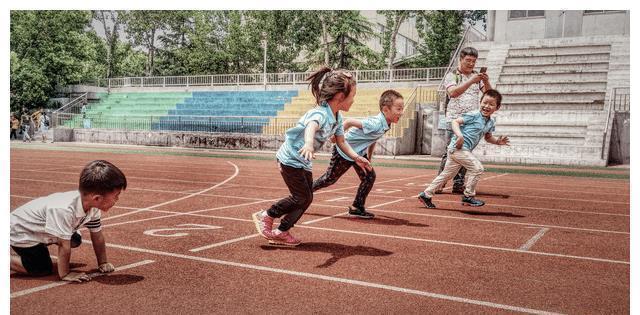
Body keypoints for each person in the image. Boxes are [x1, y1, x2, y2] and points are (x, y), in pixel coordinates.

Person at [252, 67, 371, 246]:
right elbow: (311, 126)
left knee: (306, 198)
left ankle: (282, 231)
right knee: (301, 197)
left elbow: (341, 141)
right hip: (290, 158)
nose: (354, 100)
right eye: (352, 96)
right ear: (340, 96)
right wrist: (308, 144)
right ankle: (268, 215)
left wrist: (356, 157)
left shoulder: (337, 118)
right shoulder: (320, 113)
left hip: (303, 162)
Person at [10, 160, 127, 282]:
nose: (117, 199)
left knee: (75, 240)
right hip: (20, 231)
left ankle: (42, 245)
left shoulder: (92, 206)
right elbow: (63, 245)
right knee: (41, 269)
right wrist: (65, 274)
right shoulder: (64, 209)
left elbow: (97, 235)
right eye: (116, 196)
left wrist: (103, 262)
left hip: (40, 228)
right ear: (97, 198)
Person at [312, 89, 405, 219]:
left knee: (369, 177)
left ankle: (357, 207)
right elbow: (349, 122)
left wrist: (369, 158)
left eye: (402, 109)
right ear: (386, 110)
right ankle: (304, 192)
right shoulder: (376, 123)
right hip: (344, 151)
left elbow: (372, 139)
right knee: (329, 179)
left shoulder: (386, 123)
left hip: (358, 153)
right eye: (399, 109)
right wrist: (336, 136)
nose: (402, 112)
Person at [418, 89, 509, 208]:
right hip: (458, 148)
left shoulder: (491, 122)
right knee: (477, 168)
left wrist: (497, 141)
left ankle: (426, 194)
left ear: (497, 107)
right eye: (484, 102)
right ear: (480, 102)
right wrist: (459, 135)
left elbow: (488, 137)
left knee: (446, 175)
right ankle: (468, 196)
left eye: (491, 104)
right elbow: (455, 122)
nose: (486, 106)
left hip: (461, 151)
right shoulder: (474, 115)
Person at [437, 47, 492, 194]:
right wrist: (471, 81)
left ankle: (458, 183)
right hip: (454, 119)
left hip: (471, 122)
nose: (471, 64)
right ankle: (440, 182)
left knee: (465, 153)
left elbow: (489, 95)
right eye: (468, 60)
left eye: (474, 61)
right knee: (449, 152)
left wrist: (486, 82)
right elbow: (453, 93)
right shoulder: (452, 75)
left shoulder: (477, 77)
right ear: (460, 60)